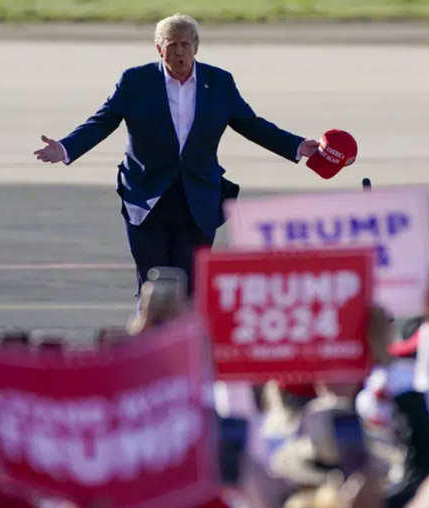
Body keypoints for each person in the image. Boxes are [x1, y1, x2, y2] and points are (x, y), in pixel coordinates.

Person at [34, 13, 319, 296]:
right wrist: (65, 147)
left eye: (185, 44)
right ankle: (151, 336)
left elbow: (251, 124)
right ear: (159, 49)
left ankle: (187, 339)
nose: (180, 51)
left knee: (192, 286)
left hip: (197, 197)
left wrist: (296, 145)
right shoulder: (136, 81)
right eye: (172, 45)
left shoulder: (218, 82)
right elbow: (103, 120)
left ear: (196, 46)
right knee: (153, 286)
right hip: (147, 197)